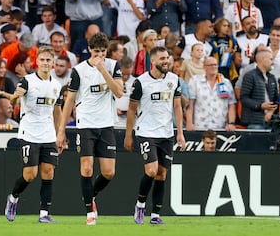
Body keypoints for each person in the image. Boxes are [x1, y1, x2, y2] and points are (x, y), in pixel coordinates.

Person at [56, 32, 123, 225]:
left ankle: (90, 195)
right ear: (89, 50)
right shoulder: (79, 70)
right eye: (96, 52)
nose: (99, 55)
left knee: (109, 172)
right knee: (86, 168)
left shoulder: (112, 65)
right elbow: (69, 100)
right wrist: (61, 130)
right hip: (86, 125)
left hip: (106, 124)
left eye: (103, 52)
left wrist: (103, 70)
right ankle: (89, 213)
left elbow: (119, 92)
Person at [124, 46, 185, 225]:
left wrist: (180, 133)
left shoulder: (174, 80)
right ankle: (140, 205)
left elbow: (177, 107)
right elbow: (132, 109)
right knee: (151, 170)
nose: (166, 61)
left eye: (167, 58)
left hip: (166, 134)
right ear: (153, 62)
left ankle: (156, 215)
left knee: (161, 174)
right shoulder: (141, 82)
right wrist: (129, 135)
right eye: (162, 59)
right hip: (146, 132)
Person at [4, 46, 63, 223]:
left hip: (48, 134)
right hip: (29, 132)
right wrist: (15, 97)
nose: (45, 63)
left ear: (52, 63)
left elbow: (57, 111)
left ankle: (44, 214)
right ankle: (13, 198)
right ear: (37, 61)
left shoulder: (56, 85)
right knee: (30, 174)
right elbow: (12, 100)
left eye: (48, 60)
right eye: (42, 60)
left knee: (48, 172)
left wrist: (59, 133)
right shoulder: (27, 81)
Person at [186, 57, 236, 131]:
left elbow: (231, 105)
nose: (214, 67)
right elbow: (190, 104)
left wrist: (231, 123)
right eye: (211, 65)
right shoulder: (195, 81)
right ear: (204, 67)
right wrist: (189, 123)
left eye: (215, 65)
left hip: (221, 127)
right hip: (200, 127)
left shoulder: (225, 83)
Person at [240, 50, 279, 129]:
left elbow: (276, 100)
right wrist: (260, 105)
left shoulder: (272, 77)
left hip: (271, 122)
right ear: (262, 59)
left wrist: (271, 112)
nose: (273, 62)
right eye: (271, 59)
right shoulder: (250, 76)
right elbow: (244, 98)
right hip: (254, 122)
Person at [210, 18, 240, 83]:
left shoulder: (232, 40)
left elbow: (237, 53)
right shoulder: (212, 40)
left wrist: (232, 52)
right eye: (224, 26)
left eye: (228, 26)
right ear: (218, 27)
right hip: (217, 68)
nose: (227, 28)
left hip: (229, 69)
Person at [115, 56, 136, 127]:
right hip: (115, 122)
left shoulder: (136, 82)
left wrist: (133, 110)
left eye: (128, 74)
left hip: (132, 122)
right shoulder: (112, 81)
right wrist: (114, 109)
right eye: (123, 74)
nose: (125, 77)